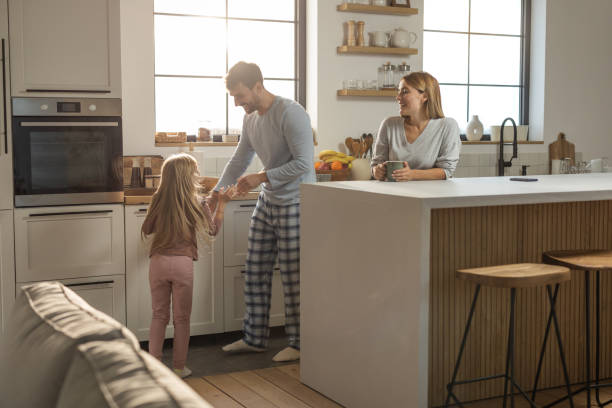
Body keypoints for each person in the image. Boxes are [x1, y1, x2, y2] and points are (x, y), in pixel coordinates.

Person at [211, 61, 315, 362]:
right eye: (233, 97)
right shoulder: (251, 118)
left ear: (258, 86)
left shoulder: (291, 112)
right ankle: (254, 338)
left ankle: (299, 343)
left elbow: (304, 163)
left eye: (240, 95)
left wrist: (261, 177)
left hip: (296, 201)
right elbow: (240, 158)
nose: (237, 103)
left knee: (294, 277)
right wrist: (218, 191)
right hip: (269, 201)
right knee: (254, 269)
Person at [142, 153, 236, 378]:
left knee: (158, 315)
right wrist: (221, 205)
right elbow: (212, 230)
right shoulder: (198, 201)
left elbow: (147, 229)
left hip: (158, 263)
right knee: (181, 319)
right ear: (188, 177)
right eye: (195, 172)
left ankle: (154, 370)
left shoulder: (158, 199)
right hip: (183, 265)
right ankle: (178, 367)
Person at [371, 71, 461, 181]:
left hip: (432, 194)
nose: (398, 97)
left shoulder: (448, 126)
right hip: (395, 194)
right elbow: (375, 165)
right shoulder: (389, 125)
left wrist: (412, 175)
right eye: (398, 92)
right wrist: (377, 171)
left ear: (424, 96)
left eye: (404, 92)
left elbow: (446, 171)